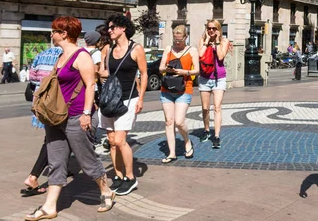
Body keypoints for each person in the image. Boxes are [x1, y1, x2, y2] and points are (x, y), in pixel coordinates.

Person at [25, 17, 114, 220]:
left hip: (76, 116)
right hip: (56, 117)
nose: (51, 34)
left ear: (64, 34)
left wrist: (86, 114)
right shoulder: (61, 55)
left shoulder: (81, 56)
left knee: (87, 161)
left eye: (54, 31)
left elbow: (91, 85)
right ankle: (49, 207)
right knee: (56, 162)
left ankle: (106, 190)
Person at [99, 14, 147, 196]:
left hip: (128, 99)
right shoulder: (108, 49)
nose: (109, 30)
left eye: (112, 27)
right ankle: (118, 176)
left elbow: (144, 74)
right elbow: (104, 72)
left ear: (123, 28)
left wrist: (141, 98)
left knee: (120, 140)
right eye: (109, 28)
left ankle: (130, 177)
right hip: (110, 99)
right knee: (111, 142)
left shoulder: (136, 49)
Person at [22, 45, 63, 197]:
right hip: (56, 104)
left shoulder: (42, 54)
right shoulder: (65, 55)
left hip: (40, 103)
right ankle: (33, 176)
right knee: (52, 140)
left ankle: (59, 169)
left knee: (52, 138)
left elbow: (31, 77)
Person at [157, 25, 199, 163]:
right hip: (167, 89)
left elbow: (197, 71)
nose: (177, 43)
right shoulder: (168, 49)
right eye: (175, 40)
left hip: (184, 88)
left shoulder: (192, 50)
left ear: (185, 38)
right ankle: (172, 153)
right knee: (169, 122)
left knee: (179, 121)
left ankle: (187, 141)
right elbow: (161, 68)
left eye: (179, 40)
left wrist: (184, 72)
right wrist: (167, 70)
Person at [198, 20, 230, 149]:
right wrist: (206, 42)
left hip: (219, 78)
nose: (211, 30)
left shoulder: (224, 41)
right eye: (209, 28)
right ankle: (206, 130)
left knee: (217, 107)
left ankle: (216, 136)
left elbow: (221, 57)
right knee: (205, 108)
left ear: (218, 29)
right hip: (205, 78)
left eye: (214, 28)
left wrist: (216, 42)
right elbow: (200, 54)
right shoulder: (202, 41)